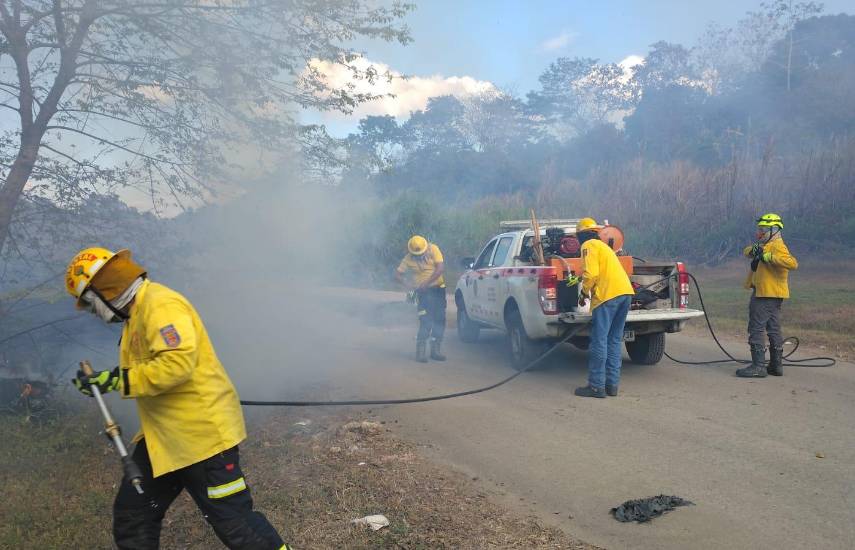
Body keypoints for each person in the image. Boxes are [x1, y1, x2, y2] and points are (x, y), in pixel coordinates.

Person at [66, 247, 290, 550]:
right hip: (164, 441)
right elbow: (148, 367)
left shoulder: (160, 305)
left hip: (202, 439)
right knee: (134, 516)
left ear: (104, 292)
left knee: (235, 524)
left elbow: (176, 365)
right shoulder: (137, 314)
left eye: (91, 305)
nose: (95, 313)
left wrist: (118, 379)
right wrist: (103, 382)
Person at [573, 218, 635, 398]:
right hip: (625, 293)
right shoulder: (605, 247)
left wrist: (584, 293)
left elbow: (591, 274)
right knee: (614, 340)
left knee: (599, 341)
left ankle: (595, 386)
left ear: (581, 235)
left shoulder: (589, 245)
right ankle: (611, 385)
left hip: (607, 296)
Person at [736, 213, 798, 378]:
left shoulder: (777, 246)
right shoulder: (766, 243)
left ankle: (758, 367)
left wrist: (770, 257)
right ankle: (776, 366)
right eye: (760, 228)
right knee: (773, 328)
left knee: (756, 327)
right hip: (770, 293)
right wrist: (754, 250)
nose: (760, 232)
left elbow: (792, 263)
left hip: (766, 294)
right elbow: (747, 251)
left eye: (763, 228)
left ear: (774, 229)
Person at [395, 235, 447, 363]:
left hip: (438, 289)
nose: (418, 256)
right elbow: (397, 275)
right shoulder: (407, 259)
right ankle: (420, 352)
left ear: (425, 248)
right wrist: (409, 285)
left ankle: (435, 351)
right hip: (422, 293)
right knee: (425, 320)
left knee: (439, 319)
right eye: (416, 254)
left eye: (420, 253)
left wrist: (427, 282)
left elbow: (440, 268)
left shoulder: (433, 249)